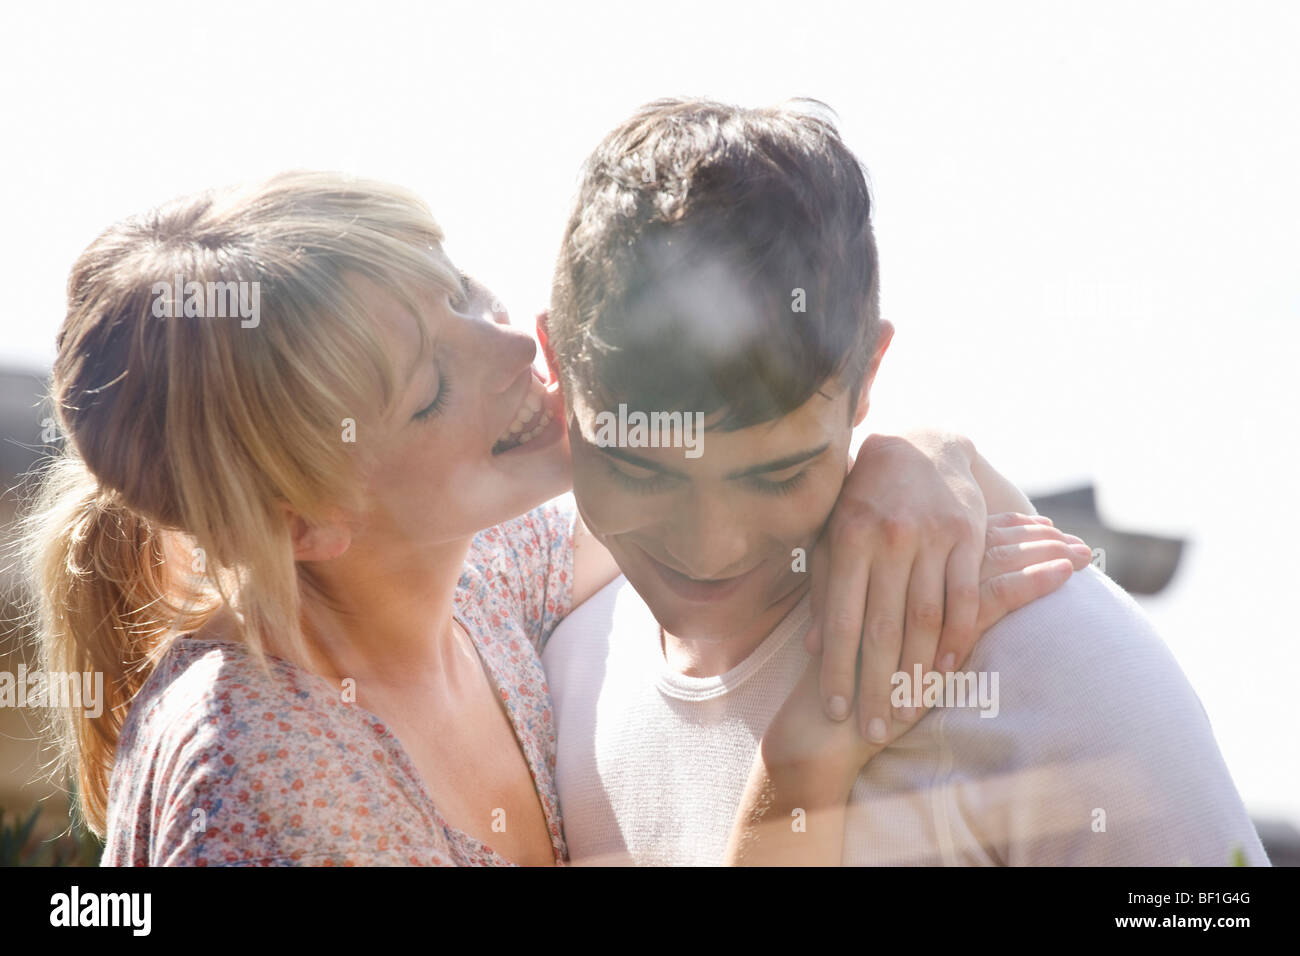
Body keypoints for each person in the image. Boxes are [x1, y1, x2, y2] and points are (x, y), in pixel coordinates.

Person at [21, 170, 1070, 866]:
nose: (516, 349)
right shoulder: (264, 788)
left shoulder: (472, 572)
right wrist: (803, 770)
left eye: (462, 294)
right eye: (430, 386)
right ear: (307, 520)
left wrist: (911, 455)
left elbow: (704, 493)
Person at [538, 97, 1271, 866]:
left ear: (869, 377)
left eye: (779, 474)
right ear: (554, 366)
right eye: (640, 470)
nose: (711, 548)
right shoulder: (553, 679)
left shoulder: (1042, 650)